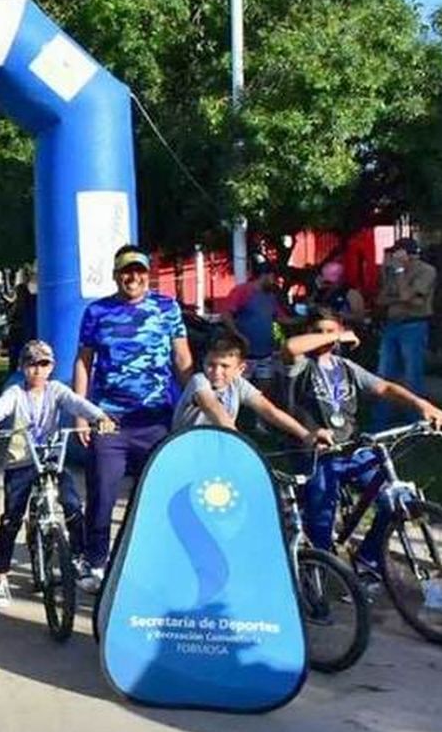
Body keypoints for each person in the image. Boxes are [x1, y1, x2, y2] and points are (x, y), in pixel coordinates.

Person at [282, 313, 442, 584]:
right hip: (318, 454)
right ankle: (318, 579)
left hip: (350, 448)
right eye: (319, 331)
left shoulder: (345, 366)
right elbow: (290, 347)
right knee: (321, 518)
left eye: (331, 331)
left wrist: (423, 405)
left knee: (396, 500)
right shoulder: (301, 366)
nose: (326, 338)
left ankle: (368, 558)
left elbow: (384, 387)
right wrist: (336, 335)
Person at [72, 246, 193, 592]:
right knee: (103, 494)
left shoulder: (167, 308)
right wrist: (82, 411)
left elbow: (182, 359)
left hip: (156, 420)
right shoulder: (97, 312)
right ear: (116, 275)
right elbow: (84, 362)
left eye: (139, 271)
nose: (133, 278)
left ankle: (150, 559)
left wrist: (197, 401)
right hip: (109, 420)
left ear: (148, 274)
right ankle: (95, 561)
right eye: (126, 271)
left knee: (156, 495)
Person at [0, 341, 113, 606]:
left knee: (74, 506)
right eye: (31, 364)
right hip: (22, 462)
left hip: (51, 459)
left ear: (51, 367)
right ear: (22, 367)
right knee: (11, 520)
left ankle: (77, 559)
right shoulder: (16, 393)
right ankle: (1, 578)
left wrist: (99, 417)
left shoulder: (56, 390)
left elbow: (77, 403)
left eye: (43, 364)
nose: (37, 371)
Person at [173, 331, 332, 447]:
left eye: (225, 366)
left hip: (219, 448)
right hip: (186, 449)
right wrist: (238, 441)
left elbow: (269, 411)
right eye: (211, 365)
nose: (216, 372)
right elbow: (211, 407)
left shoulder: (238, 384)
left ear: (240, 369)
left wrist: (306, 435)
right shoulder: (199, 381)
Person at [375, 237, 436, 411]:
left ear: (406, 254)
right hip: (392, 324)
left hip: (414, 326)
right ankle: (381, 418)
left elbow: (405, 296)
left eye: (396, 253)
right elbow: (381, 299)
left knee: (412, 374)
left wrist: (400, 271)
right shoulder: (392, 272)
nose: (392, 257)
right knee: (384, 374)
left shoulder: (426, 271)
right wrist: (402, 298)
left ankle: (416, 418)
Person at [218, 261, 292, 387]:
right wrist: (238, 335)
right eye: (273, 277)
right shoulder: (243, 291)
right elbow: (225, 315)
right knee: (239, 389)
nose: (275, 282)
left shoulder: (271, 297)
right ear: (265, 275)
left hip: (265, 354)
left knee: (265, 389)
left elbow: (280, 319)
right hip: (244, 354)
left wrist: (305, 319)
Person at [309, 262, 366, 328]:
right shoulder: (319, 293)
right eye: (324, 282)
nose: (325, 286)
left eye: (328, 283)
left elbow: (359, 318)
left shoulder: (352, 295)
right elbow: (310, 306)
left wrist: (335, 315)